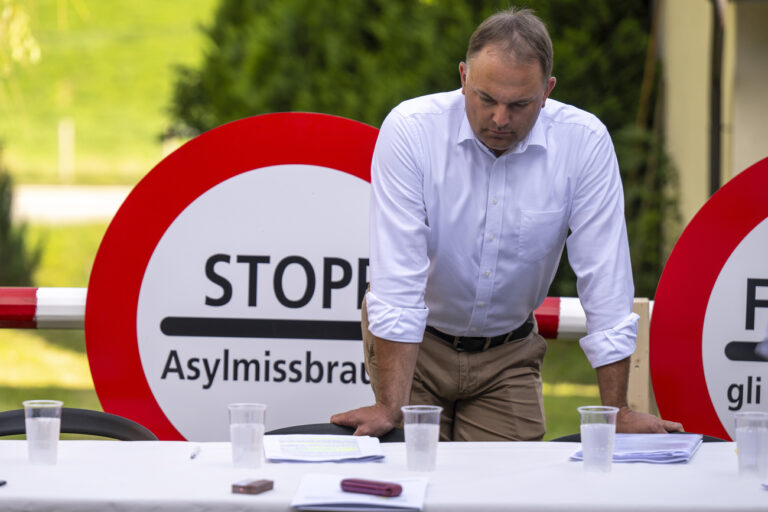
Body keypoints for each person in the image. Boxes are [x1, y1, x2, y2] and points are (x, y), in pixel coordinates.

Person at [331, 7, 683, 441]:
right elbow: (397, 277)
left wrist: (617, 411)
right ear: (463, 77)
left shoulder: (584, 143)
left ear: (547, 91)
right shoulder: (411, 131)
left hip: (509, 352)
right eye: (485, 99)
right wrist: (390, 406)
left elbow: (606, 280)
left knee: (506, 493)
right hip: (416, 346)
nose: (500, 118)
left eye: (519, 104)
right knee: (414, 485)